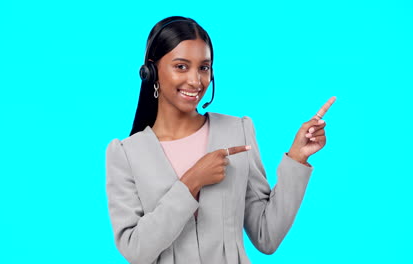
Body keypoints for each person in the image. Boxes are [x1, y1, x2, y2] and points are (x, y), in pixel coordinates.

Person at [106, 16, 336, 264]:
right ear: (152, 70)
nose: (195, 81)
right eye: (181, 66)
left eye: (204, 67)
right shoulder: (125, 154)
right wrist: (191, 182)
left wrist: (297, 158)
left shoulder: (237, 131)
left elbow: (266, 236)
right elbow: (136, 251)